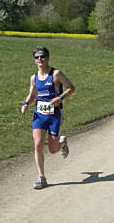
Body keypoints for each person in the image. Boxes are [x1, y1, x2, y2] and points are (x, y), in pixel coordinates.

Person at [21, 47, 75, 189]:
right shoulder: (34, 78)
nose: (40, 59)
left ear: (48, 58)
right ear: (34, 60)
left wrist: (60, 98)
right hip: (39, 115)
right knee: (38, 144)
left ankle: (61, 144)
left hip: (54, 115)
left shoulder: (56, 74)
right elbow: (32, 95)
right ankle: (41, 177)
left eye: (42, 56)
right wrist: (26, 103)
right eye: (37, 57)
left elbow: (71, 88)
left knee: (52, 149)